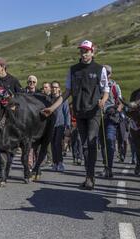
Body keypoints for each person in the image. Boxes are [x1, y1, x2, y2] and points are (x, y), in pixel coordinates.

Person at [42, 40, 109, 190]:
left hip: (94, 112)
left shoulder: (100, 69)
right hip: (79, 111)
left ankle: (90, 177)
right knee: (84, 145)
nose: (84, 54)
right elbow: (67, 92)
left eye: (87, 51)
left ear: (93, 52)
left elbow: (105, 90)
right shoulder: (73, 70)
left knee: (90, 143)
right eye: (82, 51)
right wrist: (52, 108)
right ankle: (88, 175)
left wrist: (103, 101)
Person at [99, 65, 123, 178]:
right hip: (98, 117)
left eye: (107, 73)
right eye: (103, 72)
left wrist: (116, 111)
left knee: (109, 140)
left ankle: (110, 167)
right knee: (102, 143)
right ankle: (106, 166)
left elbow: (121, 101)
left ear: (110, 74)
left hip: (111, 116)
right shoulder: (96, 85)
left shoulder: (114, 86)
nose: (105, 75)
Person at [50, 81, 70, 172]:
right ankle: (55, 162)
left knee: (57, 143)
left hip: (60, 124)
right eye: (52, 87)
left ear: (59, 88)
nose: (54, 89)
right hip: (51, 125)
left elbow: (67, 113)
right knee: (53, 144)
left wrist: (67, 126)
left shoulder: (63, 99)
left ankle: (60, 162)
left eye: (56, 87)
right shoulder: (49, 99)